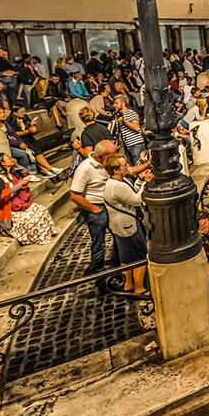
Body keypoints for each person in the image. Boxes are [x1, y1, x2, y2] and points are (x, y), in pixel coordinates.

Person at [103, 154, 151, 294]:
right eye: (124, 166)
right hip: (128, 226)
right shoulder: (117, 186)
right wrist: (147, 182)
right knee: (139, 255)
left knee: (127, 257)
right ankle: (139, 287)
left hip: (120, 226)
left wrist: (141, 180)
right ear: (116, 170)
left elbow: (131, 192)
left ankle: (128, 284)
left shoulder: (117, 181)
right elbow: (136, 199)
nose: (127, 167)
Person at [0, 153, 58, 245]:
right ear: (2, 163)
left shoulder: (12, 173)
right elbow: (3, 195)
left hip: (19, 204)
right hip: (9, 210)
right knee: (32, 219)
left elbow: (25, 171)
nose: (11, 159)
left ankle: (47, 233)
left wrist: (16, 165)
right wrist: (19, 185)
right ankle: (38, 237)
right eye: (8, 158)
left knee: (42, 210)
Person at [70, 140, 117, 274]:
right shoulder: (84, 169)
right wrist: (95, 209)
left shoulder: (106, 163)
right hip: (96, 207)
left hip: (109, 204)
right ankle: (97, 269)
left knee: (118, 235)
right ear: (101, 156)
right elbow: (74, 195)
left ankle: (116, 262)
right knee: (99, 241)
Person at [112, 95, 146, 164]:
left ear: (123, 104)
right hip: (128, 145)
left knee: (138, 165)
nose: (114, 105)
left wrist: (124, 121)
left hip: (136, 144)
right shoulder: (118, 115)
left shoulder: (131, 113)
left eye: (116, 103)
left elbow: (137, 127)